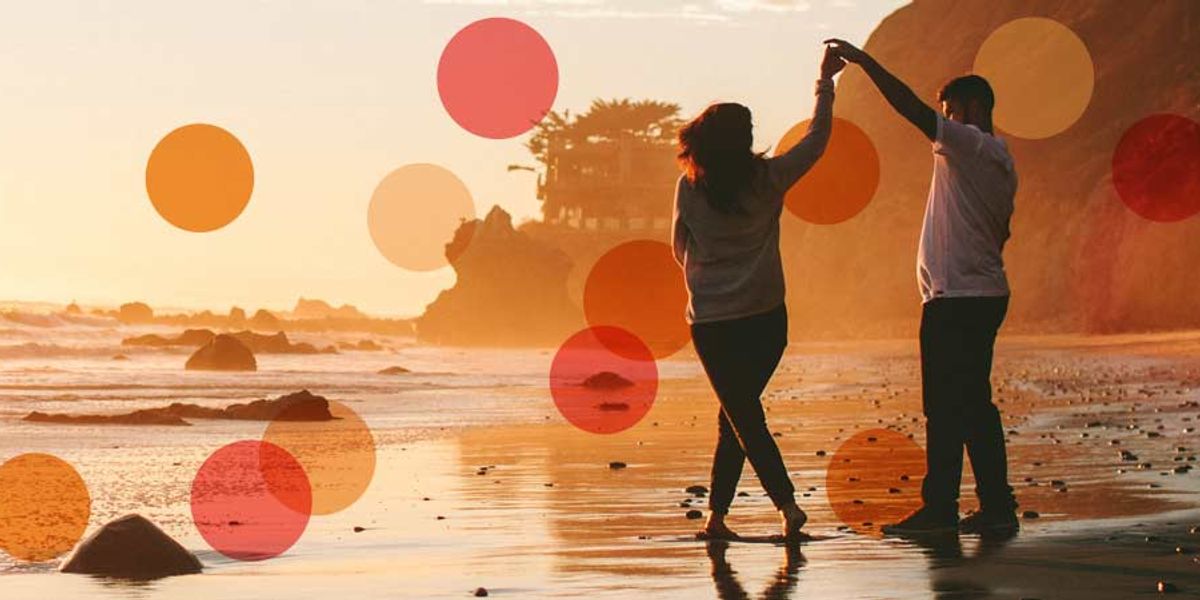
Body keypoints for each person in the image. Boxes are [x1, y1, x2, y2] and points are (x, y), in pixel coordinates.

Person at [824, 38, 1019, 535]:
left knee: (945, 407)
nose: (947, 120)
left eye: (952, 111)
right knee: (973, 403)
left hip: (957, 298)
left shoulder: (971, 144)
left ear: (973, 108)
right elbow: (1003, 229)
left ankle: (941, 510)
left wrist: (865, 63)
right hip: (978, 292)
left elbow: (911, 109)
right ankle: (996, 507)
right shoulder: (1001, 159)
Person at [671, 45, 845, 540]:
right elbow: (817, 139)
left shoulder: (689, 188)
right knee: (739, 413)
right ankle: (718, 518)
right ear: (742, 139)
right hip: (768, 319)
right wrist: (825, 84)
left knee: (742, 414)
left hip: (712, 323)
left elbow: (677, 247)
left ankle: (788, 508)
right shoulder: (770, 178)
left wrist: (708, 277)